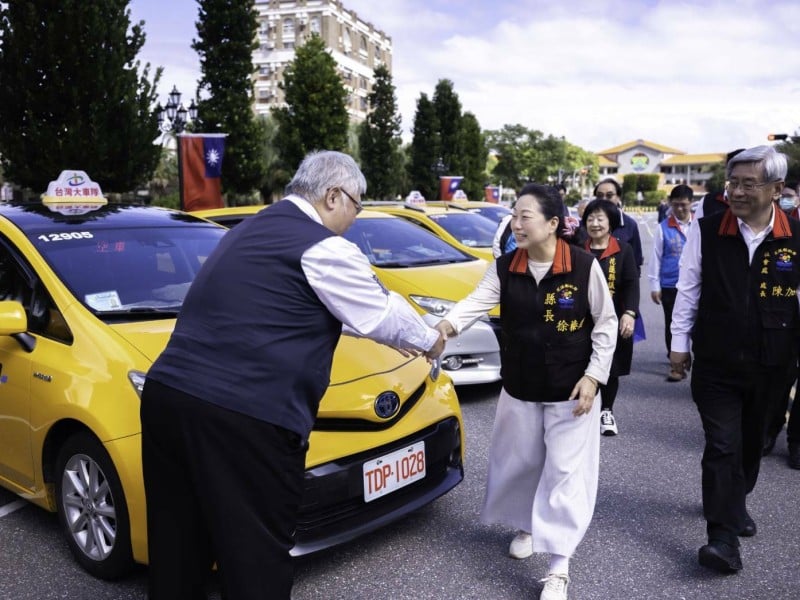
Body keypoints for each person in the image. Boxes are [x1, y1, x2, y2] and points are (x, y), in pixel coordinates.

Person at [140, 150, 446, 600]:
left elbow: (290, 304)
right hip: (243, 416)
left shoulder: (250, 229)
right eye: (357, 206)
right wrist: (430, 339)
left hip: (169, 396)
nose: (355, 218)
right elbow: (377, 312)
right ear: (332, 196)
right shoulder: (321, 244)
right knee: (255, 556)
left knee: (177, 544)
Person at [435, 183, 617, 600]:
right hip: (521, 386)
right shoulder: (504, 267)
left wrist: (593, 377)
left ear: (553, 224)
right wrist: (447, 325)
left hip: (572, 390)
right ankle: (528, 524)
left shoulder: (583, 266)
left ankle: (558, 565)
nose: (515, 224)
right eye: (513, 216)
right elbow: (476, 301)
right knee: (522, 463)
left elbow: (605, 325)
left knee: (565, 473)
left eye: (525, 216)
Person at [670, 145, 799, 573]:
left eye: (748, 184)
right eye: (733, 184)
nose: (737, 193)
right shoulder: (708, 230)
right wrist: (679, 344)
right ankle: (722, 539)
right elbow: (688, 287)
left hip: (774, 363)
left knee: (751, 444)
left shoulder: (794, 236)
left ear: (777, 189)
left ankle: (737, 501)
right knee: (721, 445)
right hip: (717, 361)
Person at [582, 199, 640, 436]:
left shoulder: (623, 249)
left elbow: (631, 284)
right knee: (580, 363)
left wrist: (630, 313)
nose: (595, 224)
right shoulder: (577, 247)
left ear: (611, 222)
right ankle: (583, 408)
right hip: (582, 319)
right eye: (590, 219)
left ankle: (606, 410)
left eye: (600, 218)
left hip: (613, 319)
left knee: (611, 366)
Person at [763, 183, 800, 467]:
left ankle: (796, 441)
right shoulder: (790, 227)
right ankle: (770, 427)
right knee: (780, 377)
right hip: (787, 313)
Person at [646, 184, 694, 380]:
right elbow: (656, 257)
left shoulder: (699, 226)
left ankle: (688, 355)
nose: (680, 209)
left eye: (683, 205)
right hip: (670, 285)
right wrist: (654, 286)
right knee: (673, 324)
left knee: (697, 324)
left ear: (691, 203)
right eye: (675, 205)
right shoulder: (663, 228)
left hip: (695, 285)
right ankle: (676, 364)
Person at [592, 178, 643, 273]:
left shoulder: (630, 225)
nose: (604, 199)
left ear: (618, 197)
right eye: (599, 196)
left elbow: (636, 262)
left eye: (609, 195)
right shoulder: (587, 224)